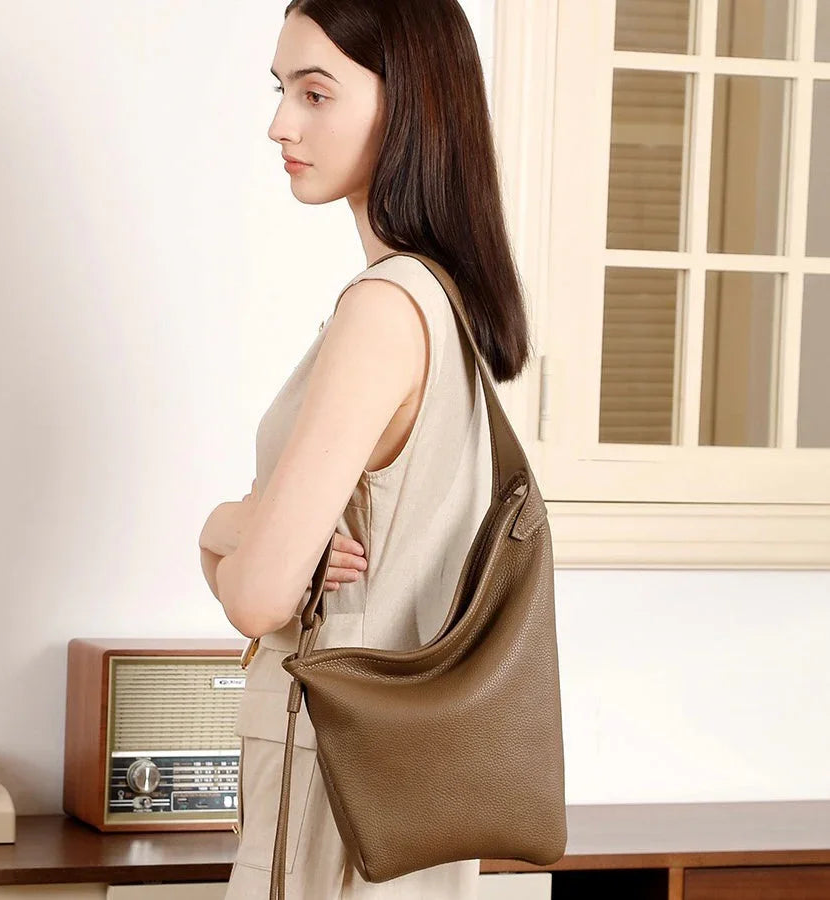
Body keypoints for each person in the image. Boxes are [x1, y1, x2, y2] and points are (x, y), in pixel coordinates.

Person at [198, 0, 534, 896]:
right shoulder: (444, 304)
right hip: (398, 783)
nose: (281, 124)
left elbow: (260, 596)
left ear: (410, 106)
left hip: (331, 784)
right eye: (282, 89)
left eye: (316, 93)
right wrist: (262, 540)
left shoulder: (381, 310)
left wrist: (223, 522)